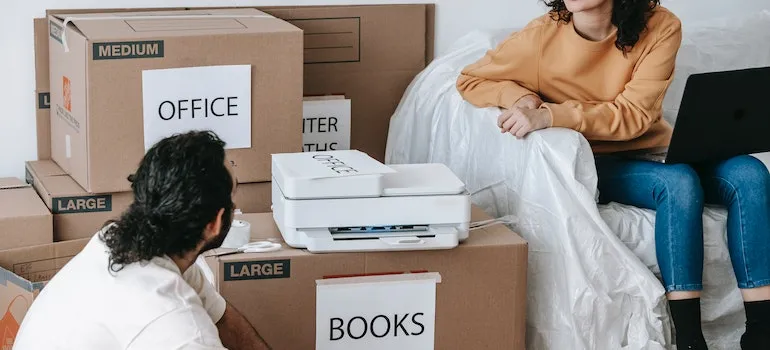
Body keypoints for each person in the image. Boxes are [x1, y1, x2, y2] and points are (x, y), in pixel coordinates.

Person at [456, 0, 770, 349]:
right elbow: (471, 79)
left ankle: (761, 331)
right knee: (679, 182)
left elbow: (635, 115)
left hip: (657, 150)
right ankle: (690, 339)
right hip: (598, 162)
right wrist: (524, 98)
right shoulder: (540, 37)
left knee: (750, 172)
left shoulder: (661, 25)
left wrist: (553, 114)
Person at [14, 131, 271, 350]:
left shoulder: (125, 240)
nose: (236, 206)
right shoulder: (183, 329)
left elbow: (223, 319)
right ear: (214, 223)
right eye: (233, 197)